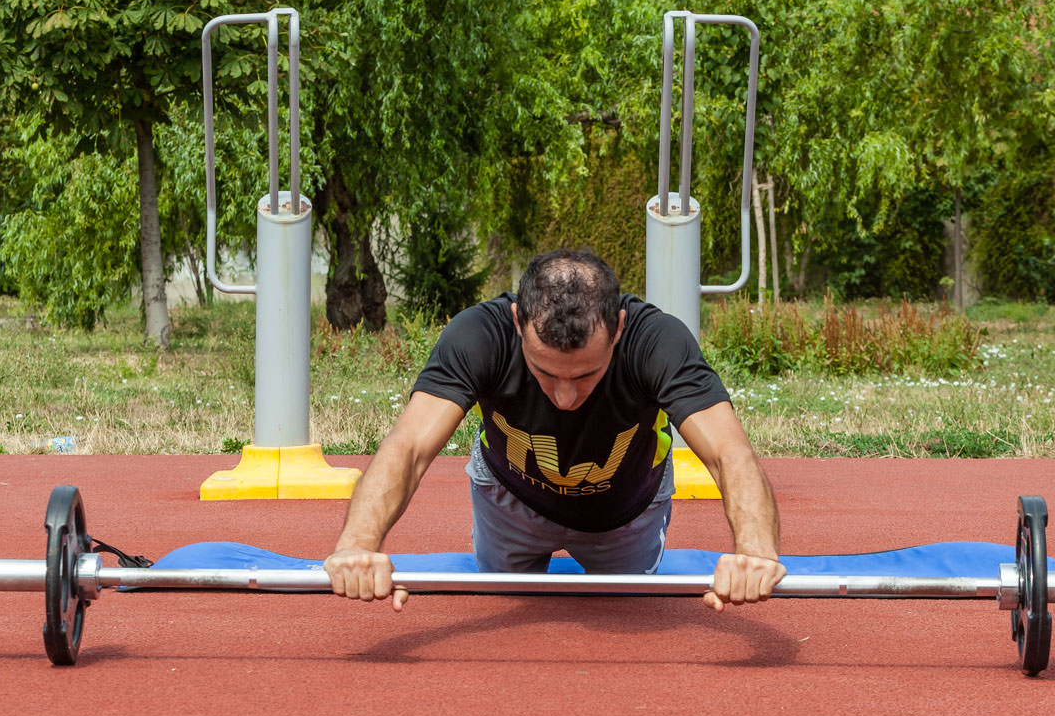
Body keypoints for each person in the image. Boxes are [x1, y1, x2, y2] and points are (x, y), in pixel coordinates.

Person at [324, 249, 785, 611]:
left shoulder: (657, 340)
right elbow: (408, 448)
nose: (565, 397)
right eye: (546, 372)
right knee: (508, 610)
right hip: (512, 500)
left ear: (618, 328)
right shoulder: (478, 336)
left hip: (625, 511)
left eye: (586, 375)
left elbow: (730, 454)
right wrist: (358, 546)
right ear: (517, 322)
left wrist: (756, 553)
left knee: (626, 618)